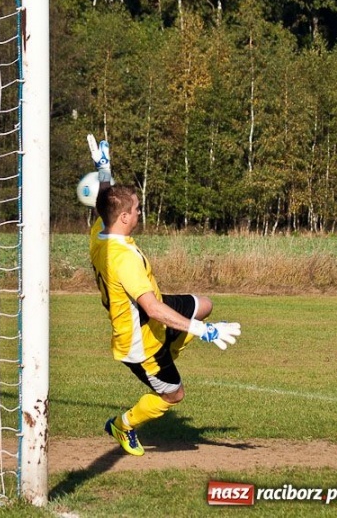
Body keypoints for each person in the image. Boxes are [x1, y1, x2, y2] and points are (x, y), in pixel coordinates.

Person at [86, 134, 241, 456]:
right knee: (174, 396)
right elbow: (152, 308)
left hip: (154, 312)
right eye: (138, 210)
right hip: (141, 341)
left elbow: (106, 200)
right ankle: (123, 424)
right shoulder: (122, 259)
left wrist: (104, 170)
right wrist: (203, 331)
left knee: (205, 304)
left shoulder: (100, 231)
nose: (140, 214)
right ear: (126, 217)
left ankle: (178, 336)